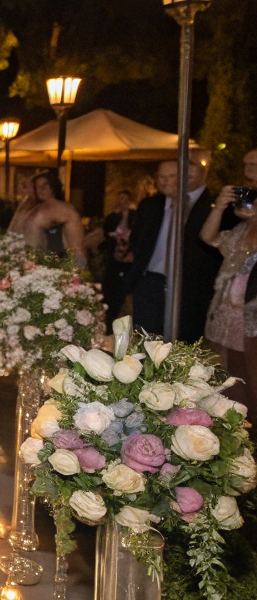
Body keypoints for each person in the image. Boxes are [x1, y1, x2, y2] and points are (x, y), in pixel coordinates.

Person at [125, 149, 223, 341]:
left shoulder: (202, 207)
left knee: (179, 341)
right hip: (150, 282)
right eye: (161, 176)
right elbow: (137, 239)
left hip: (185, 285)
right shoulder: (151, 205)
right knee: (145, 339)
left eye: (171, 176)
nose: (165, 181)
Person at [202, 172, 257, 413]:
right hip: (224, 317)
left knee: (249, 377)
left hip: (249, 323)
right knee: (223, 379)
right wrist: (219, 208)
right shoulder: (240, 229)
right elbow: (208, 237)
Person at [23, 171, 86, 267]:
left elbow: (77, 247)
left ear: (52, 187)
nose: (41, 190)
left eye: (45, 185)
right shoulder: (37, 209)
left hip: (66, 261)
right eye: (38, 187)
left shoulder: (62, 208)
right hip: (44, 261)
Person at [101, 190, 136, 328]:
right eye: (121, 199)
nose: (123, 202)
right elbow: (106, 233)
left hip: (127, 261)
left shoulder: (135, 216)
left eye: (125, 199)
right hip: (114, 259)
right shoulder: (113, 217)